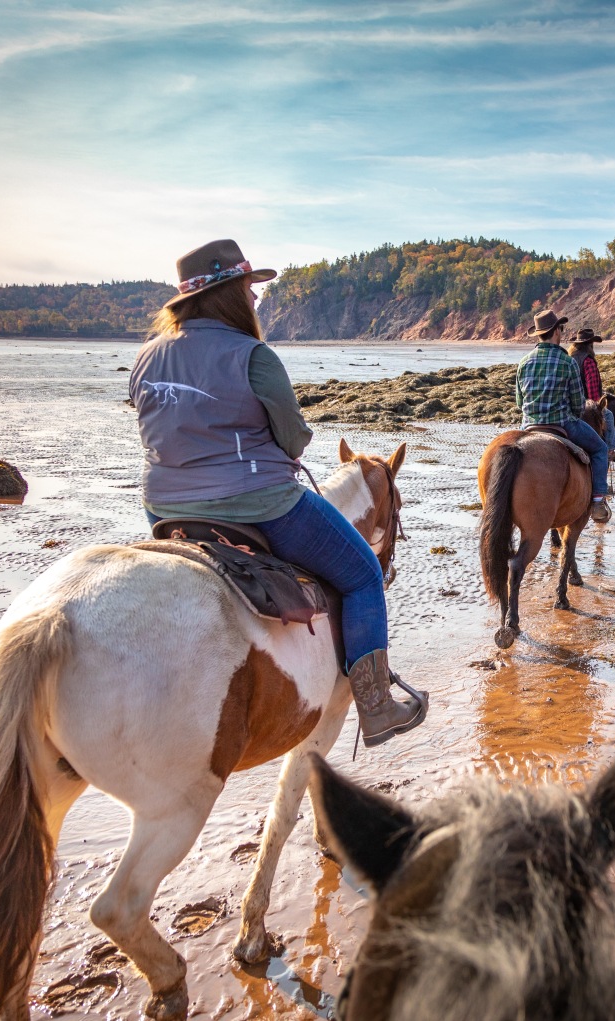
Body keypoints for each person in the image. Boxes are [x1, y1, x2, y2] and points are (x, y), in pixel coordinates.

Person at [129, 239, 426, 747]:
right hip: (260, 504)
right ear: (227, 294)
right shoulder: (253, 355)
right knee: (362, 574)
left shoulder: (146, 356)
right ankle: (377, 706)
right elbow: (294, 440)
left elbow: (157, 428)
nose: (255, 298)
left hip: (164, 508)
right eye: (249, 288)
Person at [515, 309, 612, 523]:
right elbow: (578, 406)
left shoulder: (524, 362)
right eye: (560, 328)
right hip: (561, 424)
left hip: (528, 426)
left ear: (538, 334)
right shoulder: (567, 362)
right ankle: (598, 501)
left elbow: (519, 403)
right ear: (556, 331)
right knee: (600, 449)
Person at [568, 328, 615, 461]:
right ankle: (612, 448)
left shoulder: (569, 358)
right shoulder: (588, 361)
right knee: (609, 415)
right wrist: (598, 404)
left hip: (568, 406)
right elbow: (593, 393)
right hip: (585, 406)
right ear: (590, 344)